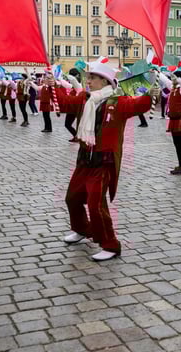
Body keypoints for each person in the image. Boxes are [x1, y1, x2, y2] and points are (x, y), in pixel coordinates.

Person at [62, 59, 151, 261]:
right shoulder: (86, 99)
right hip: (85, 160)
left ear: (104, 81)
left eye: (92, 78)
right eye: (88, 78)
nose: (88, 81)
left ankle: (111, 245)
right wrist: (54, 85)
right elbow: (65, 104)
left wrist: (150, 93)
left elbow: (139, 105)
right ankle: (82, 229)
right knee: (72, 198)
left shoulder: (118, 102)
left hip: (103, 162)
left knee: (96, 205)